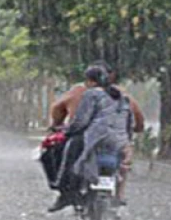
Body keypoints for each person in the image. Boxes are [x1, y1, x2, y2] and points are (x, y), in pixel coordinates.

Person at [49, 61, 144, 204]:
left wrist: (68, 131)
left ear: (89, 81)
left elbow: (81, 120)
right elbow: (132, 120)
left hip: (94, 138)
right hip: (119, 140)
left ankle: (65, 191)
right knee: (124, 163)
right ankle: (119, 195)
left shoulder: (88, 94)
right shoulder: (122, 96)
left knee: (70, 149)